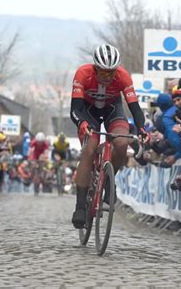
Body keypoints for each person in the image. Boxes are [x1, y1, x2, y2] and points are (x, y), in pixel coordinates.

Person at [69, 44, 147, 229]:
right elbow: (75, 109)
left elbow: (135, 108)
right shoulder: (83, 73)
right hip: (88, 112)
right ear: (95, 68)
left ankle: (109, 181)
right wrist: (82, 123)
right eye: (103, 72)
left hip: (113, 109)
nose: (108, 76)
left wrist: (142, 128)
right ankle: (80, 206)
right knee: (89, 149)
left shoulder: (123, 76)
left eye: (111, 72)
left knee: (122, 142)